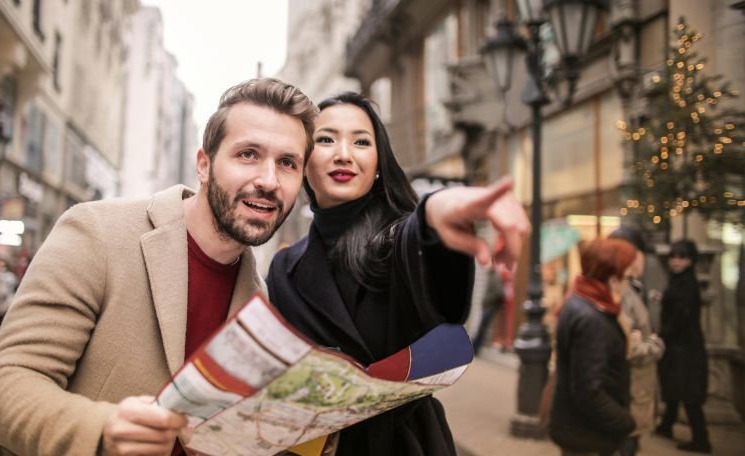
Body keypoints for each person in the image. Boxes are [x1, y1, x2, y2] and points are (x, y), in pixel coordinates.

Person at [0, 78, 317, 456]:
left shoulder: (258, 299)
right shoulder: (97, 231)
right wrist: (102, 430)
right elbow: (3, 385)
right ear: (204, 165)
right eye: (248, 154)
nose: (268, 181)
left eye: (287, 163)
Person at [266, 92, 530, 456]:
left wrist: (435, 212)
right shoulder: (284, 268)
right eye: (326, 139)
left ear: (378, 163)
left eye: (361, 142)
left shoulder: (398, 240)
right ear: (303, 159)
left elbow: (434, 274)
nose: (344, 154)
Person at [548, 238, 637, 456]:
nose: (629, 283)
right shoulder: (591, 318)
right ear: (612, 278)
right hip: (588, 435)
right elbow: (588, 389)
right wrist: (625, 422)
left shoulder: (580, 300)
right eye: (627, 277)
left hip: (578, 429)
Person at [608, 227, 665, 456]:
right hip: (629, 389)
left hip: (635, 389)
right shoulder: (620, 290)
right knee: (626, 442)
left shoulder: (632, 287)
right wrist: (655, 345)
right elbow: (626, 345)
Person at [654, 239, 711, 453]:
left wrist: (663, 336)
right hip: (679, 345)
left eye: (681, 257)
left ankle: (701, 439)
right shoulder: (679, 280)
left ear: (690, 260)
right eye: (673, 257)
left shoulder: (686, 283)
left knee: (688, 393)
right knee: (675, 389)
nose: (676, 262)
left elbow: (681, 316)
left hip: (685, 347)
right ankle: (666, 426)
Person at [472, 266, 506, 354]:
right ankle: (475, 347)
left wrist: (490, 301)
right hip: (488, 306)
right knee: (482, 327)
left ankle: (475, 347)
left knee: (482, 327)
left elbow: (499, 292)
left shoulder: (495, 277)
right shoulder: (490, 276)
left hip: (491, 306)